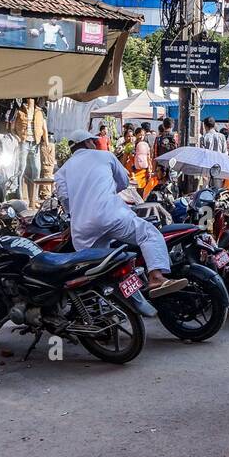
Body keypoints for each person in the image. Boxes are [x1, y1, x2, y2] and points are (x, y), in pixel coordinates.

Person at [53, 129, 171, 316]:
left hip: (82, 228)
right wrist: (105, 190)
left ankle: (98, 313)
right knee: (147, 233)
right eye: (93, 141)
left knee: (93, 271)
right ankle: (156, 276)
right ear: (88, 143)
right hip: (111, 215)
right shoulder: (105, 157)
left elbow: (66, 201)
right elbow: (124, 182)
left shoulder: (62, 171)